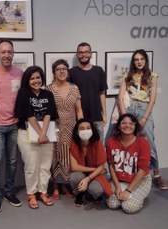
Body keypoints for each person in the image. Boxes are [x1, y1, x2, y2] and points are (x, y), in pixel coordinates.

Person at [118, 49, 167, 190]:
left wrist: (144, 118)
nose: (139, 62)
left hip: (144, 109)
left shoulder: (152, 76)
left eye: (141, 59)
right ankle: (131, 174)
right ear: (133, 62)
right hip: (130, 109)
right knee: (129, 143)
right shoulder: (127, 76)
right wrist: (124, 116)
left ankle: (156, 175)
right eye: (136, 59)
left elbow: (152, 100)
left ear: (146, 61)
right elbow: (120, 97)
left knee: (149, 143)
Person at [0, 39, 23, 213]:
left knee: (13, 161)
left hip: (14, 124)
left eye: (10, 51)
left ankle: (8, 192)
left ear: (13, 53)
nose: (7, 55)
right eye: (3, 52)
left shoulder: (20, 73)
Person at [15, 66, 59, 209]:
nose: (36, 81)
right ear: (27, 80)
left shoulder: (47, 94)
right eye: (32, 78)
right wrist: (40, 133)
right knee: (31, 166)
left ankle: (43, 192)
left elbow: (49, 114)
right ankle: (32, 194)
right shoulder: (23, 93)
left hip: (46, 134)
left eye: (38, 77)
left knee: (45, 165)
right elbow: (29, 115)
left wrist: (43, 133)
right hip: (26, 133)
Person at [46, 59, 83, 200]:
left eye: (64, 69)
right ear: (54, 72)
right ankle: (55, 185)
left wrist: (81, 126)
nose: (62, 71)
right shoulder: (48, 89)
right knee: (55, 156)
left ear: (67, 71)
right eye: (58, 69)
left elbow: (79, 111)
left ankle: (65, 185)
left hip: (71, 127)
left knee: (68, 156)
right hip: (54, 127)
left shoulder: (74, 88)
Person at [106, 113, 152, 213]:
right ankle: (127, 192)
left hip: (140, 180)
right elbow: (111, 165)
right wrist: (117, 186)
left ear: (135, 126)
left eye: (131, 123)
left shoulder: (143, 143)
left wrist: (128, 191)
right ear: (118, 126)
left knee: (128, 207)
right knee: (112, 204)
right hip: (119, 179)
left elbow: (142, 170)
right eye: (123, 123)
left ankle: (139, 194)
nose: (127, 126)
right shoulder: (111, 142)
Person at [69, 42, 108, 141]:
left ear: (91, 54)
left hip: (97, 117)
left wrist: (104, 113)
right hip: (79, 118)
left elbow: (102, 93)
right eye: (81, 52)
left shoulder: (99, 71)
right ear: (77, 54)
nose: (84, 55)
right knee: (81, 148)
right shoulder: (71, 73)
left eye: (86, 52)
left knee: (98, 145)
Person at [69, 119, 112, 207]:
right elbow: (74, 167)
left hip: (95, 174)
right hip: (85, 172)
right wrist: (94, 169)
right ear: (77, 132)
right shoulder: (74, 144)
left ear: (92, 130)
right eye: (82, 128)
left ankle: (91, 193)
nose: (85, 130)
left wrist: (88, 178)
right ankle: (80, 193)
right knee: (74, 177)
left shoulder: (97, 143)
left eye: (88, 128)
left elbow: (101, 166)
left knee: (97, 190)